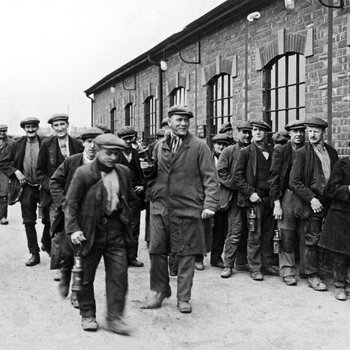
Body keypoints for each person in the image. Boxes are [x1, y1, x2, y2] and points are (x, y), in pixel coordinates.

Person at [141, 105, 219, 313]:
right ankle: (158, 292)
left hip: (188, 208)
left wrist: (210, 204)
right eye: (179, 120)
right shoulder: (159, 145)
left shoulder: (200, 147)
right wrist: (149, 180)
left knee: (187, 255)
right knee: (157, 251)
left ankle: (184, 298)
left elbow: (211, 178)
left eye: (186, 120)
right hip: (160, 208)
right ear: (169, 121)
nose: (183, 123)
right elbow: (152, 174)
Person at [64, 133, 136, 334]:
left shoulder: (123, 172)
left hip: (115, 232)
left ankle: (115, 318)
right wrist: (74, 229)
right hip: (89, 232)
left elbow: (130, 199)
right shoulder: (83, 173)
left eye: (117, 154)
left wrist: (125, 217)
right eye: (109, 153)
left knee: (119, 277)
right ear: (98, 150)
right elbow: (70, 204)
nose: (113, 158)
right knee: (85, 277)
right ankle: (87, 315)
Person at [49, 127, 103, 307]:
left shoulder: (107, 164)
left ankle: (76, 292)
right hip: (71, 214)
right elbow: (54, 181)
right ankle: (65, 274)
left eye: (97, 142)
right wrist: (63, 203)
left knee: (84, 257)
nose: (93, 146)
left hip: (94, 218)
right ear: (83, 143)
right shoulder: (72, 162)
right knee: (69, 253)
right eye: (89, 142)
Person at [289, 117, 338, 291]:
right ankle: (311, 275)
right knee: (312, 238)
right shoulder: (302, 153)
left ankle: (324, 270)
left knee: (327, 238)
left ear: (323, 132)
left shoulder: (331, 152)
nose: (312, 134)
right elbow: (294, 182)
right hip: (312, 202)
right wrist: (312, 198)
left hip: (328, 202)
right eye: (310, 131)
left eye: (316, 131)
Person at [36, 113, 84, 278]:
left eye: (62, 124)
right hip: (54, 195)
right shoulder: (46, 145)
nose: (59, 128)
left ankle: (78, 262)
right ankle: (59, 266)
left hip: (76, 194)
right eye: (56, 125)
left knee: (76, 227)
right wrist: (50, 186)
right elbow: (39, 172)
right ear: (52, 128)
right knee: (57, 230)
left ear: (67, 125)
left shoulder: (78, 144)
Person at [233, 120, 278, 281]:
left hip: (269, 200)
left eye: (261, 130)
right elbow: (237, 177)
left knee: (267, 233)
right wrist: (250, 193)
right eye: (255, 130)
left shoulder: (272, 151)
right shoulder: (245, 152)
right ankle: (255, 267)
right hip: (254, 200)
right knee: (254, 234)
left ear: (267, 133)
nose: (257, 132)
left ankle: (266, 264)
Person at [8, 117, 51, 266]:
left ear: (37, 128)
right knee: (28, 221)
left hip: (43, 187)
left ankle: (46, 241)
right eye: (28, 127)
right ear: (24, 129)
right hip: (26, 187)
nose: (31, 129)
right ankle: (34, 253)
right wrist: (15, 171)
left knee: (49, 218)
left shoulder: (46, 142)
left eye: (33, 127)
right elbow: (5, 162)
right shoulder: (17, 144)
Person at [268, 121, 306, 286]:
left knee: (306, 234)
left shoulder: (308, 150)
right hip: (287, 197)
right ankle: (288, 270)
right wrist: (277, 202)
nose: (298, 134)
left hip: (305, 197)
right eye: (295, 131)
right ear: (289, 133)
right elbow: (274, 178)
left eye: (301, 131)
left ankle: (306, 270)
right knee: (286, 235)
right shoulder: (282, 151)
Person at [217, 121, 252, 278]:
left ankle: (243, 262)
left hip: (251, 197)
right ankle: (228, 265)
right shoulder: (229, 151)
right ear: (238, 133)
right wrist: (237, 186)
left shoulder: (254, 151)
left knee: (251, 231)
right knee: (235, 231)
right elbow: (221, 172)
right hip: (236, 198)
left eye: (250, 132)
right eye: (244, 132)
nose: (247, 135)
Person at [319, 147, 350, 300]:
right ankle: (339, 285)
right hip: (342, 215)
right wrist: (348, 189)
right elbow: (330, 189)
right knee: (341, 253)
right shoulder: (341, 165)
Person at [117, 126, 146, 267]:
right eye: (125, 139)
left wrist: (143, 185)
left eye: (131, 138)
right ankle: (119, 258)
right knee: (119, 227)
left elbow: (147, 172)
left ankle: (132, 257)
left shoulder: (139, 153)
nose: (129, 141)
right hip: (119, 196)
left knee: (134, 227)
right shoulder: (114, 154)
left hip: (135, 196)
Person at [208, 133, 231, 269]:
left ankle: (216, 258)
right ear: (214, 145)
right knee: (204, 228)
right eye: (218, 144)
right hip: (208, 197)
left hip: (223, 199)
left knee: (220, 230)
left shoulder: (229, 158)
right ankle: (198, 257)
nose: (221, 147)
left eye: (224, 144)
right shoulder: (207, 159)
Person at [0, 124, 14, 225]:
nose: (2, 133)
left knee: (4, 194)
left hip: (4, 171)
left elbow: (15, 158)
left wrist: (11, 170)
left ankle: (3, 216)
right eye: (0, 131)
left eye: (4, 131)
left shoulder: (12, 143)